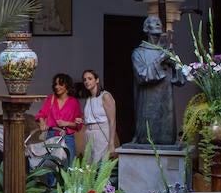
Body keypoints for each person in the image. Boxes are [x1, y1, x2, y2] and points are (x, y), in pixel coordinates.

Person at [131, 15, 185, 146]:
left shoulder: (167, 52)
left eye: (159, 23)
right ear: (146, 28)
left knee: (167, 137)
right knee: (148, 137)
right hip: (148, 104)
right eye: (154, 22)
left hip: (166, 103)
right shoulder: (138, 53)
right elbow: (142, 76)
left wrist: (174, 65)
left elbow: (180, 80)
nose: (158, 24)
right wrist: (161, 59)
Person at [36, 72, 83, 160]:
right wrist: (42, 123)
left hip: (67, 138)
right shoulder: (51, 99)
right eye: (55, 84)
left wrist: (67, 123)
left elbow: (78, 125)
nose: (57, 87)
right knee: (50, 166)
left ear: (67, 85)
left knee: (68, 167)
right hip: (51, 135)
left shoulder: (74, 102)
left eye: (60, 84)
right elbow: (41, 114)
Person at [79, 68, 119, 165]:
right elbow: (91, 119)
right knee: (88, 167)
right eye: (85, 80)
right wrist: (82, 121)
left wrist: (111, 143)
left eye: (90, 78)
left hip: (101, 134)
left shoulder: (105, 96)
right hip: (88, 134)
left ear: (97, 80)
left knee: (98, 167)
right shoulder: (89, 99)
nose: (87, 81)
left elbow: (112, 121)